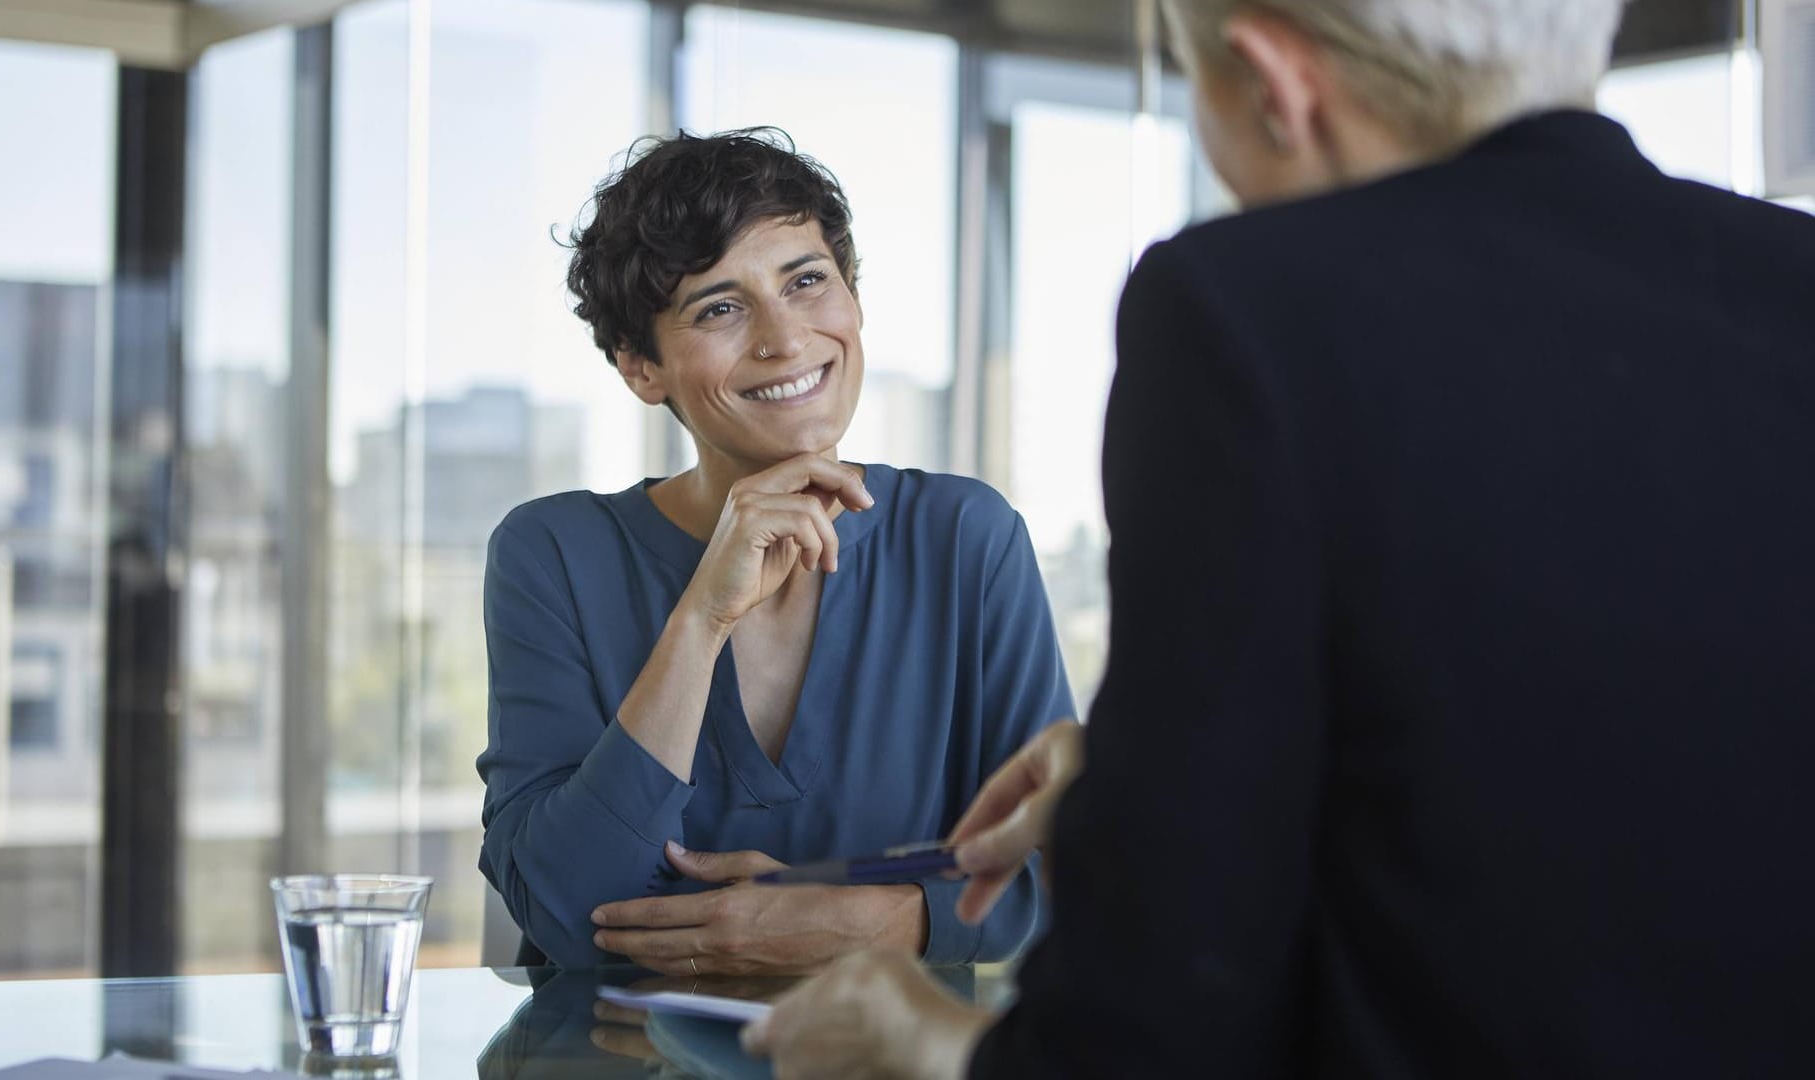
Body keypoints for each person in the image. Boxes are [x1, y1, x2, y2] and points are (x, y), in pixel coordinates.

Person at [743, 0, 1815, 1074]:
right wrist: (1143, 793)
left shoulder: (1242, 308)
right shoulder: (1791, 278)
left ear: (1270, 81)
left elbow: (1147, 1035)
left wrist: (927, 1045)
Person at [476, 129, 1074, 973]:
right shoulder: (553, 553)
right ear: (641, 368)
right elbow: (569, 910)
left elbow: (1059, 870)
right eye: (719, 307)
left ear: (853, 298)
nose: (786, 339)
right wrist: (701, 617)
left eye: (806, 282)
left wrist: (849, 925)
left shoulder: (965, 536)